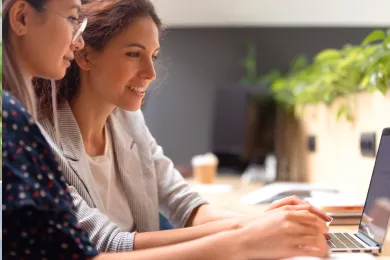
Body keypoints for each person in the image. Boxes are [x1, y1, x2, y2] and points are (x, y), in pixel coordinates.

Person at [2, 0, 330, 259]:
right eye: (134, 54)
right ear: (86, 56)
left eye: (154, 57)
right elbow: (102, 245)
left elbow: (181, 201)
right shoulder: (30, 133)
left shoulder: (128, 119)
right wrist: (245, 233)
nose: (150, 73)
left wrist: (260, 226)